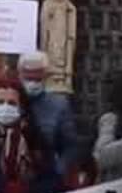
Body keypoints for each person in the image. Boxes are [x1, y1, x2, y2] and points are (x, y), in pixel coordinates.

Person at [17, 51, 79, 183]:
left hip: (45, 178)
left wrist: (57, 173)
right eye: (28, 78)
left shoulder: (59, 105)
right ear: (20, 75)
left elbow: (70, 146)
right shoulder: (9, 100)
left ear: (46, 76)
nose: (32, 83)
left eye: (37, 79)